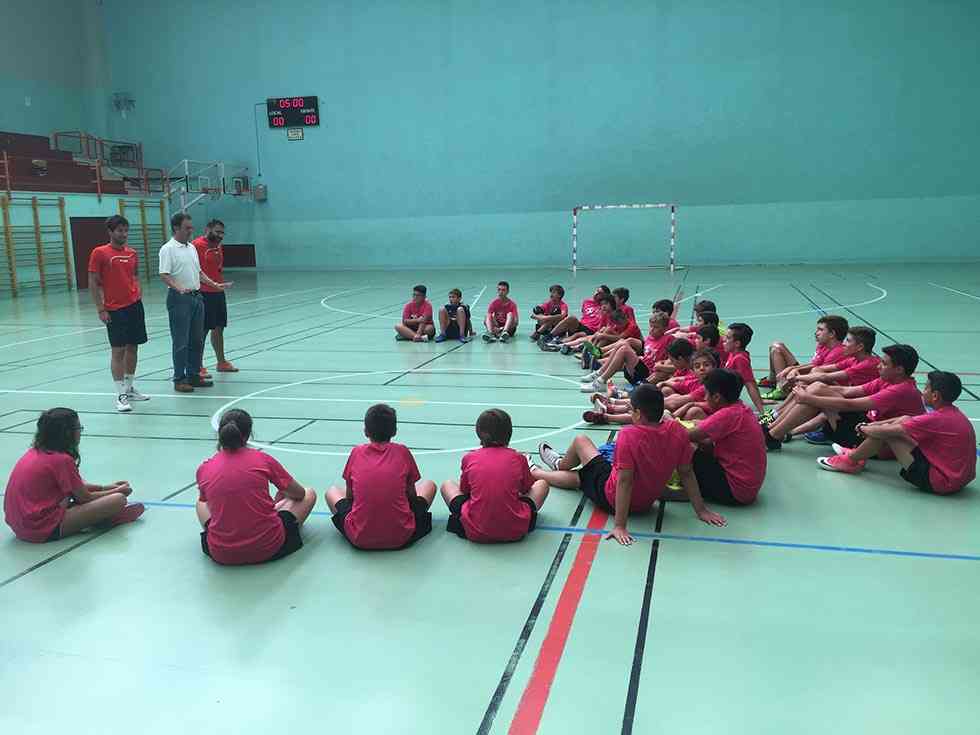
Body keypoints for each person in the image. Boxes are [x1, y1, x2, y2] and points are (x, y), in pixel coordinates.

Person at [531, 385, 726, 544]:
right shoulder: (677, 430)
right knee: (584, 475)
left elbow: (625, 481)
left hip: (611, 498)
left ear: (639, 414)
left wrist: (619, 525)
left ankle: (553, 466)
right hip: (645, 503)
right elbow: (686, 472)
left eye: (631, 409)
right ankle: (543, 470)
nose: (629, 412)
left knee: (581, 443)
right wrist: (701, 510)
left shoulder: (628, 435)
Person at [817, 371, 976, 495]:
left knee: (888, 434)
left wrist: (863, 429)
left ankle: (850, 460)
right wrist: (870, 427)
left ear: (935, 396)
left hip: (940, 483)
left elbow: (890, 431)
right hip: (959, 479)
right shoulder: (952, 413)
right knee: (903, 420)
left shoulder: (936, 418)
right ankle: (857, 454)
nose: (923, 391)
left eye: (926, 388)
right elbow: (906, 421)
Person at [4, 408, 144, 542]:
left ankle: (99, 516)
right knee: (118, 500)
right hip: (41, 529)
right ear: (66, 433)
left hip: (20, 526)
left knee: (90, 496)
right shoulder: (61, 459)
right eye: (78, 428)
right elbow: (84, 498)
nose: (80, 432)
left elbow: (75, 486)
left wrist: (105, 487)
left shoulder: (36, 452)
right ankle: (105, 518)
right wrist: (118, 491)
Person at [196, 409, 316, 564]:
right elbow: (299, 494)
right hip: (268, 548)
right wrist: (282, 495)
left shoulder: (205, 468)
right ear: (248, 435)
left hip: (221, 553)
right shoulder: (262, 460)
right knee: (309, 493)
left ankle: (224, 535)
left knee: (201, 502)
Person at [763, 344, 923, 451]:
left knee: (815, 392)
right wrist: (807, 388)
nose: (878, 365)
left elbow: (852, 404)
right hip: (867, 427)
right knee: (817, 387)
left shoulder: (901, 390)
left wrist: (809, 398)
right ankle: (771, 431)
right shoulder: (886, 380)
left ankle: (771, 435)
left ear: (899, 370)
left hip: (878, 442)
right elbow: (846, 391)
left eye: (884, 363)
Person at [326, 404, 436, 550]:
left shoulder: (356, 452)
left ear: (366, 431)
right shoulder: (402, 451)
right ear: (394, 431)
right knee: (429, 485)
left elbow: (350, 496)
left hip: (359, 536)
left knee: (332, 491)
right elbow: (412, 495)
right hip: (402, 536)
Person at [441, 409, 549, 543]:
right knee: (542, 484)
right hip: (515, 530)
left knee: (448, 485)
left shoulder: (469, 458)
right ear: (509, 433)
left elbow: (465, 491)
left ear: (479, 434)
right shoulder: (518, 458)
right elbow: (527, 488)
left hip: (475, 530)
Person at [159, 212, 232, 393]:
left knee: (197, 340)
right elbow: (164, 274)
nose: (191, 231)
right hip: (179, 300)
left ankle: (193, 374)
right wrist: (178, 288)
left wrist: (214, 284)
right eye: (187, 228)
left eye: (191, 228)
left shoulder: (191, 248)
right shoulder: (168, 249)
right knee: (181, 341)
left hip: (196, 298)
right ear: (177, 228)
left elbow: (199, 272)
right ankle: (179, 378)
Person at [87, 215, 149, 412]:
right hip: (114, 309)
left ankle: (129, 388)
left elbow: (135, 275)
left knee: (133, 347)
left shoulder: (132, 253)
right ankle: (120, 395)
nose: (123, 234)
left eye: (125, 230)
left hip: (134, 306)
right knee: (118, 351)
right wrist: (100, 308)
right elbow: (93, 282)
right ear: (111, 232)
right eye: (119, 230)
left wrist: (137, 291)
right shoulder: (100, 253)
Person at [683, 369, 767, 505]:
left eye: (706, 394)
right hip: (747, 489)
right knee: (702, 442)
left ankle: (684, 491)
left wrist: (670, 420)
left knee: (684, 445)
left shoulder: (727, 415)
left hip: (733, 491)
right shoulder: (740, 409)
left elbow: (686, 436)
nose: (704, 398)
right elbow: (705, 432)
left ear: (716, 397)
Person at [760, 315, 848, 398]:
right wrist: (792, 368)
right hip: (812, 376)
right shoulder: (823, 345)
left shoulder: (838, 352)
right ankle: (772, 380)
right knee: (776, 346)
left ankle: (782, 390)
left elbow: (818, 373)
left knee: (778, 351)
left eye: (820, 330)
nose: (816, 333)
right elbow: (814, 365)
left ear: (832, 334)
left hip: (822, 384)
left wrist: (794, 371)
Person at [192, 219, 238, 376]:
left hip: (218, 292)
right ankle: (198, 365)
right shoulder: (196, 246)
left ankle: (221, 362)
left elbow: (217, 267)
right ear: (208, 229)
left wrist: (220, 284)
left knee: (219, 328)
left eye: (222, 233)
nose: (220, 235)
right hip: (204, 293)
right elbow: (194, 270)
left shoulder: (218, 246)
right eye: (217, 232)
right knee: (202, 330)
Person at [539, 285, 611, 349]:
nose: (596, 294)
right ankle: (548, 337)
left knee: (578, 336)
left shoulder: (605, 307)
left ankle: (559, 345)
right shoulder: (587, 302)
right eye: (597, 291)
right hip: (581, 325)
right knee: (572, 318)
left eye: (600, 293)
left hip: (591, 330)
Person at [722, 323, 766, 413]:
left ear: (737, 343)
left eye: (728, 338)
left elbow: (750, 384)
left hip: (723, 400)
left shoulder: (740, 359)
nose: (724, 340)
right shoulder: (732, 353)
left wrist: (762, 411)